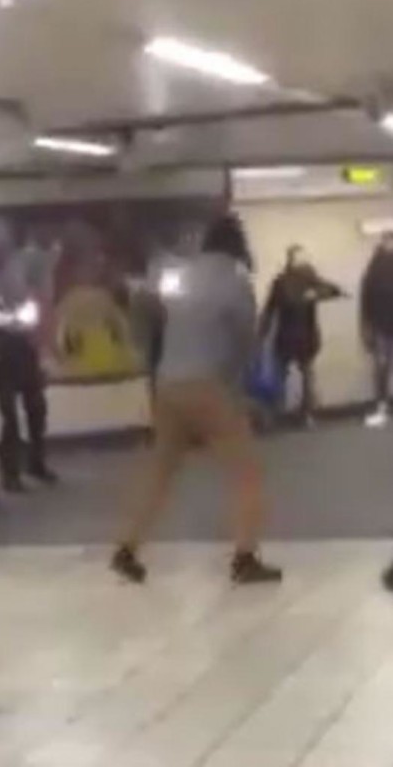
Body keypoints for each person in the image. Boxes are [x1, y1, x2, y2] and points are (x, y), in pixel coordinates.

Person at [112, 214, 282, 585]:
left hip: (168, 386)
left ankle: (127, 548)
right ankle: (245, 557)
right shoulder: (236, 283)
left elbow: (161, 321)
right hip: (209, 387)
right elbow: (245, 344)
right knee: (246, 474)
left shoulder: (185, 278)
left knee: (160, 471)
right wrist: (242, 391)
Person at [260, 245, 346, 424]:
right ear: (292, 259)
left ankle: (294, 413)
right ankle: (294, 413)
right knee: (292, 374)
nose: (305, 259)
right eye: (301, 256)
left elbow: (335, 290)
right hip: (296, 334)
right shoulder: (287, 281)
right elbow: (271, 308)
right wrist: (261, 333)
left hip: (297, 334)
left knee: (298, 374)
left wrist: (315, 294)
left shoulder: (305, 280)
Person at [0, 289, 58, 493]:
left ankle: (35, 463)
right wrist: (13, 321)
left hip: (26, 358)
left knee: (37, 411)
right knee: (9, 420)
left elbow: (32, 325)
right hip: (1, 362)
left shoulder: (22, 295)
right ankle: (10, 473)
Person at [359, 231, 393, 429]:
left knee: (390, 365)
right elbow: (366, 299)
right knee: (384, 365)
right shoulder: (381, 266)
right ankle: (385, 404)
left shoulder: (377, 266)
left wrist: (367, 324)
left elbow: (366, 298)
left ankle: (391, 404)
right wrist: (367, 326)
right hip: (390, 322)